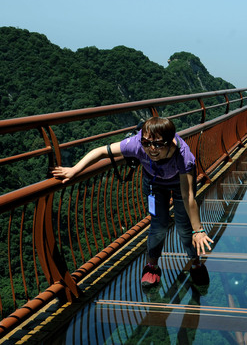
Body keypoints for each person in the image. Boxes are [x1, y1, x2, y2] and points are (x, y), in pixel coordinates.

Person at [51, 117, 213, 287]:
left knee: (185, 226)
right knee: (158, 225)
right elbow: (101, 151)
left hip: (179, 182)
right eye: (146, 142)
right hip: (154, 181)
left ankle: (195, 262)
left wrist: (199, 230)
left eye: (158, 144)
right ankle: (152, 266)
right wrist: (75, 170)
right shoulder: (136, 144)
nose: (151, 149)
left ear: (170, 141)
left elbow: (188, 196)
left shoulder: (183, 156)